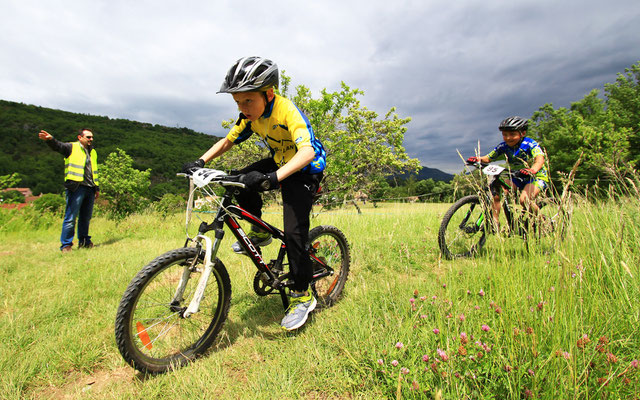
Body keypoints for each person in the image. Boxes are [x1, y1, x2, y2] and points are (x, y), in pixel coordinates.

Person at [182, 57, 326, 331]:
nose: (242, 108)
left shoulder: (286, 110)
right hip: (282, 160)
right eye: (237, 102)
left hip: (306, 167)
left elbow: (306, 152)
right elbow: (228, 141)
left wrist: (273, 178)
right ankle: (260, 233)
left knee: (295, 232)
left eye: (247, 101)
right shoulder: (250, 117)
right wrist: (200, 161)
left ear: (268, 93)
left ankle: (302, 295)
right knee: (239, 180)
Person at [466, 116, 549, 230]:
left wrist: (533, 170)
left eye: (512, 134)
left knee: (524, 200)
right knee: (496, 187)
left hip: (535, 177)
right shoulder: (503, 146)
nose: (508, 138)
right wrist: (477, 159)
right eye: (505, 135)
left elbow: (539, 159)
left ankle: (542, 221)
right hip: (516, 177)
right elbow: (488, 158)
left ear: (523, 133)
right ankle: (494, 223)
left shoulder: (529, 144)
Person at [38, 128, 100, 252]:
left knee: (85, 218)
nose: (91, 139)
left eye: (92, 137)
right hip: (76, 188)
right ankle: (66, 245)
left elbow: (94, 171)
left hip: (90, 188)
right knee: (71, 217)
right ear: (80, 137)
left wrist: (96, 188)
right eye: (88, 137)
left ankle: (84, 242)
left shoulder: (93, 152)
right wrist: (50, 140)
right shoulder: (71, 147)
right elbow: (58, 146)